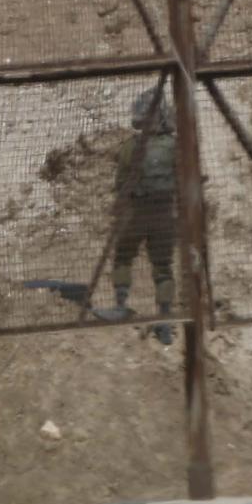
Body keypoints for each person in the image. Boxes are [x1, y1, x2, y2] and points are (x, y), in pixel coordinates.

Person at [95, 83, 179, 343]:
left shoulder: (131, 146)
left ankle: (121, 306)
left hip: (138, 212)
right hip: (166, 213)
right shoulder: (175, 146)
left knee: (123, 256)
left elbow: (121, 184)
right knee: (163, 267)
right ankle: (164, 321)